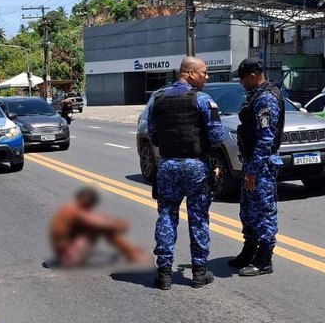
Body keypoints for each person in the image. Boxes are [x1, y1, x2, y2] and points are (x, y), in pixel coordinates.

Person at [148, 56, 225, 290]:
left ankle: (164, 273)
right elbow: (217, 136)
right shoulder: (202, 99)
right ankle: (199, 273)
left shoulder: (158, 99)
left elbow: (152, 133)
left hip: (168, 165)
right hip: (195, 166)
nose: (207, 76)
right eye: (204, 72)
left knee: (167, 216)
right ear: (190, 73)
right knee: (198, 218)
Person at [230, 58, 285, 277]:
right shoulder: (257, 96)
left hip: (261, 165)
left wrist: (253, 170)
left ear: (253, 76)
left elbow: (265, 139)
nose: (241, 83)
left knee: (263, 212)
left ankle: (264, 260)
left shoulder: (266, 99)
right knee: (249, 211)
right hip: (253, 162)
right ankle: (249, 250)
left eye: (243, 79)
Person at [49, 186, 146, 267]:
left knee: (100, 225)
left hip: (62, 251)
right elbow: (99, 224)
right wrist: (118, 224)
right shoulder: (74, 210)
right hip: (67, 256)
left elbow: (97, 218)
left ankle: (130, 252)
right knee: (105, 230)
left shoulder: (71, 207)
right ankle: (131, 253)